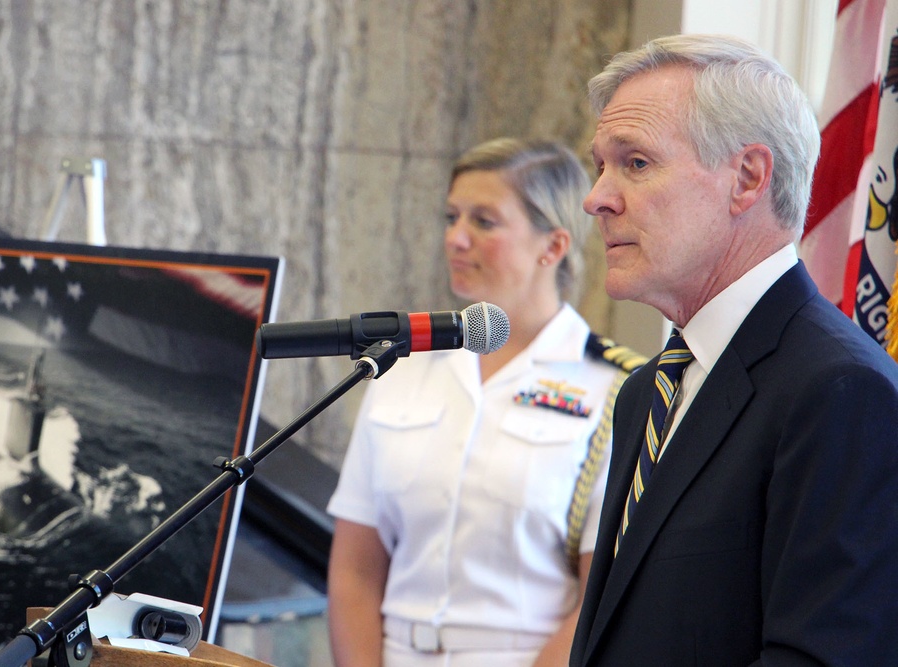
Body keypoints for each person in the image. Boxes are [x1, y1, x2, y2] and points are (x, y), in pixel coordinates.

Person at [570, 34, 898, 667]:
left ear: (747, 178)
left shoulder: (839, 392)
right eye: (600, 165)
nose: (598, 197)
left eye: (635, 163)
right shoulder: (648, 392)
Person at [326, 137, 644, 667]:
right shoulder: (402, 367)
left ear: (553, 246)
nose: (455, 238)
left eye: (484, 221)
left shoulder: (614, 389)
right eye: (452, 217)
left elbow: (599, 597)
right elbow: (356, 569)